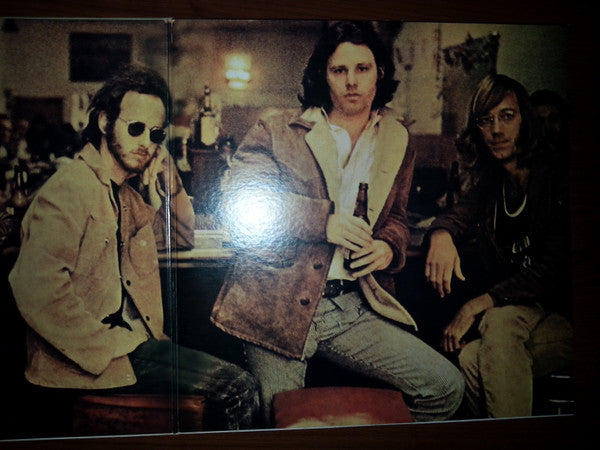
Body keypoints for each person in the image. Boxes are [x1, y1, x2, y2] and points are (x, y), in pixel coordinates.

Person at [211, 21, 464, 426]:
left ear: (380, 72)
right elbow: (238, 202)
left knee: (445, 387)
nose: (352, 82)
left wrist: (388, 247)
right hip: (276, 306)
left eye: (362, 68)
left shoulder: (396, 139)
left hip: (351, 307)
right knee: (283, 424)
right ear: (322, 75)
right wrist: (323, 222)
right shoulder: (277, 129)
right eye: (339, 70)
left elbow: (397, 218)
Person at [9, 64, 258, 432]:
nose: (146, 142)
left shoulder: (124, 195)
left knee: (235, 375)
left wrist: (171, 181)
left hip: (133, 346)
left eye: (155, 134)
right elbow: (35, 288)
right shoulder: (69, 189)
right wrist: (110, 347)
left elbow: (180, 237)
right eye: (135, 128)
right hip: (91, 359)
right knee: (237, 388)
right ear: (104, 122)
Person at [424, 74, 572, 418]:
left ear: (525, 121)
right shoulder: (494, 182)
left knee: (497, 322)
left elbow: (552, 271)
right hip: (518, 313)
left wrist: (474, 305)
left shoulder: (558, 178)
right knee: (470, 357)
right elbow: (456, 216)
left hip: (563, 313)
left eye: (507, 116)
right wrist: (441, 236)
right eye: (485, 120)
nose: (496, 130)